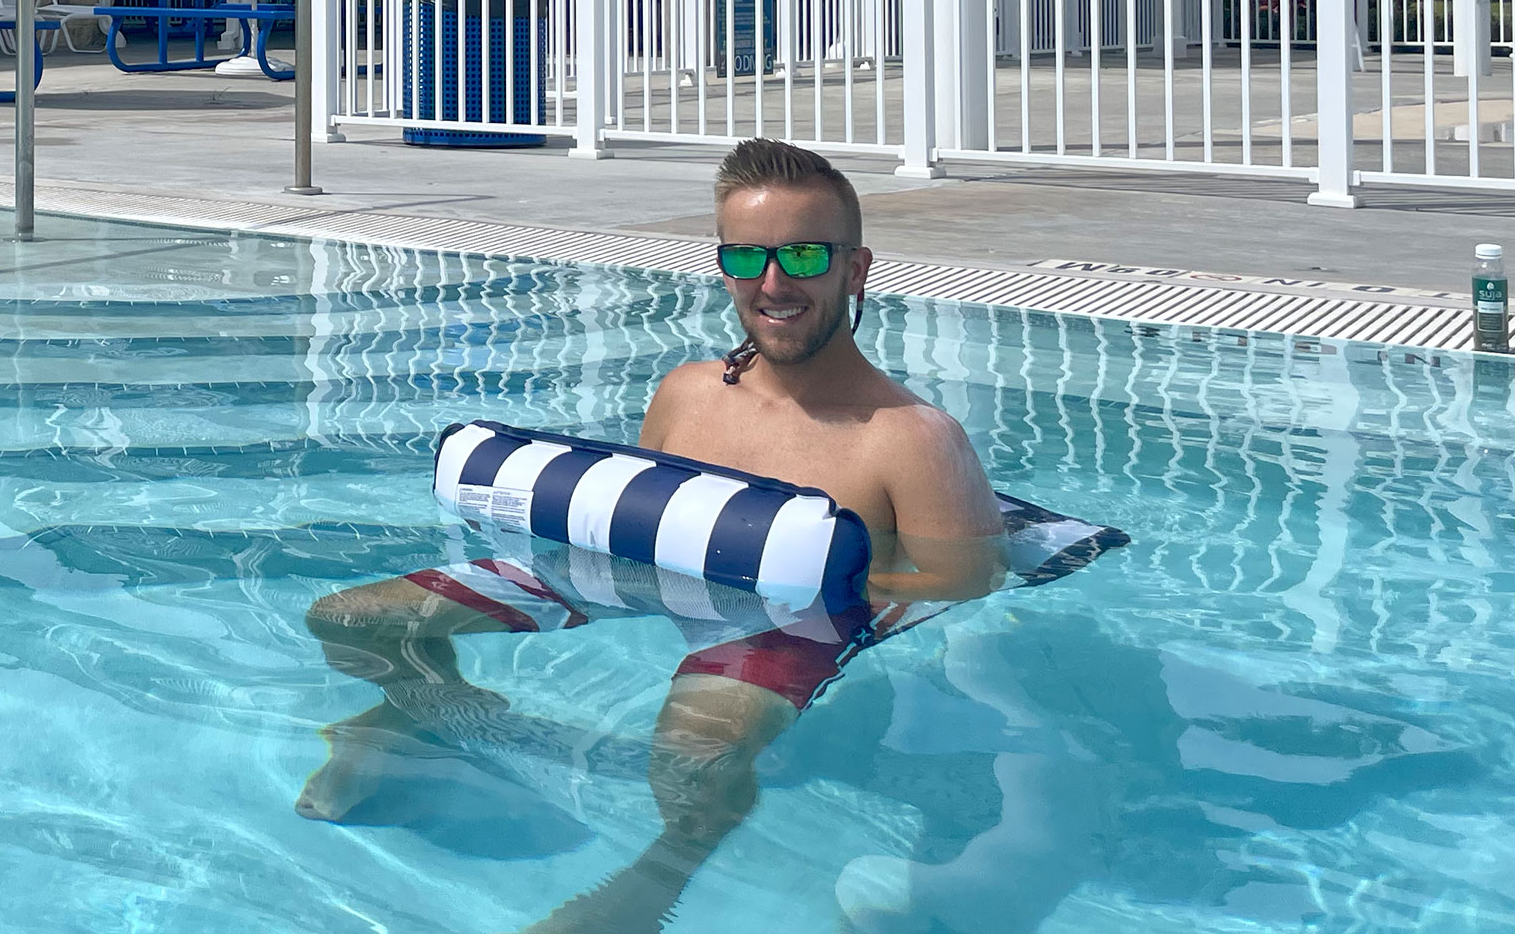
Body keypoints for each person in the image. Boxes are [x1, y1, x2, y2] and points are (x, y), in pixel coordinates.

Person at [296, 137, 1010, 934]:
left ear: (855, 268)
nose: (773, 283)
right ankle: (429, 707)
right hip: (646, 574)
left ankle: (657, 879)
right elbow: (635, 515)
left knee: (692, 753)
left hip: (794, 616)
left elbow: (970, 581)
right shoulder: (688, 393)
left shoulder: (912, 438)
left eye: (804, 255)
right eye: (747, 257)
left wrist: (831, 578)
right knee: (350, 619)